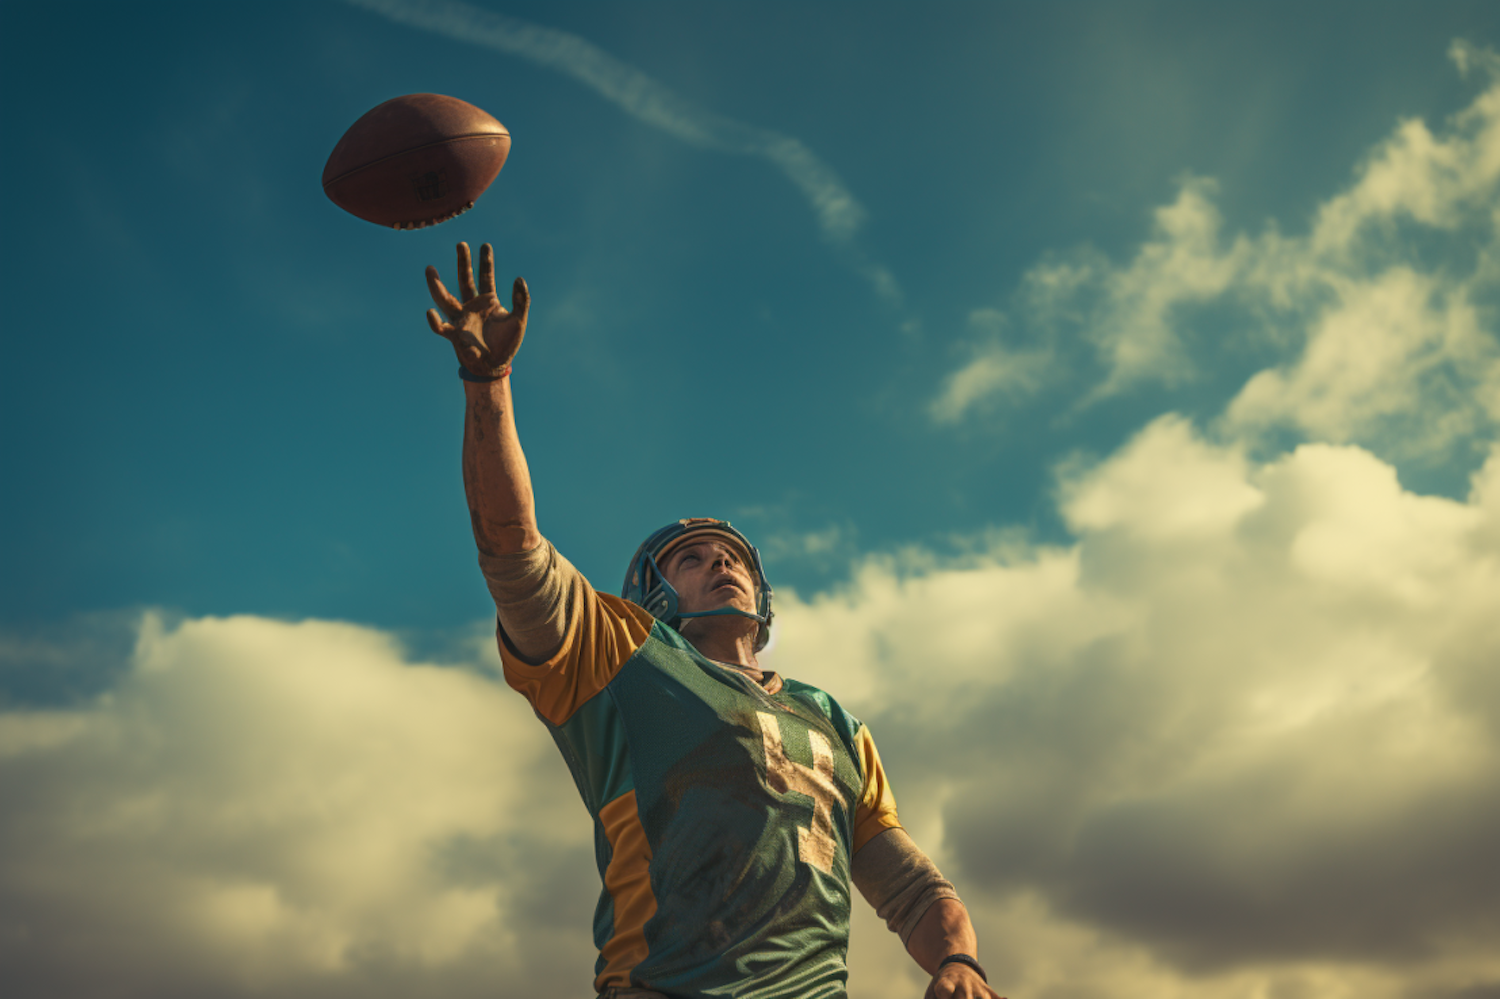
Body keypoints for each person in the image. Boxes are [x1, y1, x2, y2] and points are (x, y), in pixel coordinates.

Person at [424, 242, 1004, 999]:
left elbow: (913, 889)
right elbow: (511, 550)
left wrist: (957, 960)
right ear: (652, 591)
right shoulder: (623, 653)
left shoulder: (834, 721)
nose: (720, 562)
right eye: (692, 557)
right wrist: (487, 383)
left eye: (733, 556)